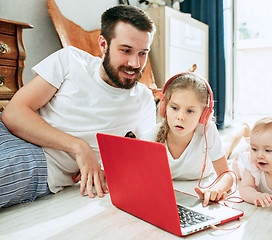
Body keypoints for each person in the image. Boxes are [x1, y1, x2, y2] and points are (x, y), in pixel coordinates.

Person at [0, 5, 156, 208]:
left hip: (40, 159)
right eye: (126, 51)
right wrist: (79, 147)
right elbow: (13, 113)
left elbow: (144, 162)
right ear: (103, 44)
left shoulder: (143, 99)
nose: (135, 63)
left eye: (143, 53)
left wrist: (107, 168)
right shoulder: (70, 60)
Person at [143, 72, 245, 207]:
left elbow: (227, 175)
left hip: (207, 162)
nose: (180, 117)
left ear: (204, 116)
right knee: (226, 146)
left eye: (190, 111)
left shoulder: (207, 132)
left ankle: (243, 129)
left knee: (227, 145)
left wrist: (217, 189)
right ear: (164, 108)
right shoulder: (151, 137)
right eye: (174, 108)